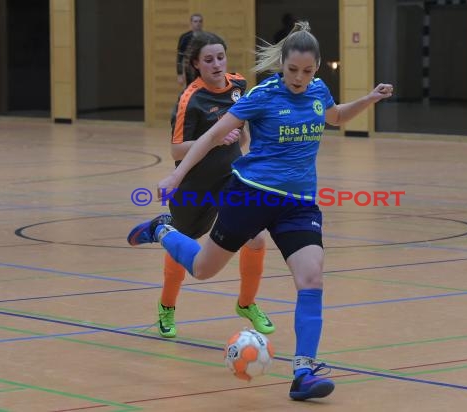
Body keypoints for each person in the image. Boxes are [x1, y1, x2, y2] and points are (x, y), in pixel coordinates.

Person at [128, 21, 393, 401]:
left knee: (311, 279)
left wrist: (368, 99)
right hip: (251, 195)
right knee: (203, 269)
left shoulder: (318, 90)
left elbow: (333, 117)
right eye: (293, 70)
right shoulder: (263, 95)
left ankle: (304, 371)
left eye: (308, 71)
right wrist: (176, 174)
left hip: (298, 205)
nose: (300, 78)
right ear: (281, 65)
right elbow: (211, 137)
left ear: (317, 68)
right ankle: (162, 231)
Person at [148, 31, 274, 338]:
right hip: (193, 186)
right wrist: (217, 139)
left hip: (230, 180)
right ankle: (167, 306)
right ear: (196, 64)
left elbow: (242, 129)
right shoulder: (189, 99)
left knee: (256, 238)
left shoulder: (239, 86)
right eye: (208, 60)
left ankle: (247, 303)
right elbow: (176, 150)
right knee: (183, 247)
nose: (217, 64)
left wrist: (244, 141)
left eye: (221, 57)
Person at [176, 13, 204, 87]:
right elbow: (180, 57)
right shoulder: (185, 38)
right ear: (191, 23)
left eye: (200, 21)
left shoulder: (206, 38)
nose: (198, 24)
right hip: (189, 70)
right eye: (195, 21)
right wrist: (179, 74)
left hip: (202, 69)